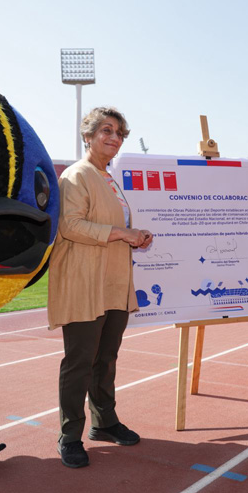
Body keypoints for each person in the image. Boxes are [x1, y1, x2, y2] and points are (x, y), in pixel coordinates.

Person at [47, 107, 153, 468]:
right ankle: (70, 434)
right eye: (106, 130)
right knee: (79, 362)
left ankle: (104, 422)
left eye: (120, 133)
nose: (115, 137)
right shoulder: (77, 175)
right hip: (84, 283)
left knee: (105, 360)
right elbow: (70, 226)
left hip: (114, 284)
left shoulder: (108, 178)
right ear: (88, 135)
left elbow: (108, 225)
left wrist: (135, 236)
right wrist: (124, 233)